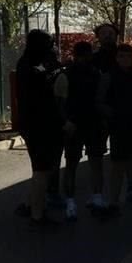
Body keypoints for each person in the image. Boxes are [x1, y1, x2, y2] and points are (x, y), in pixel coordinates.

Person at [96, 44, 132, 216]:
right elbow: (99, 102)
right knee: (118, 165)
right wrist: (112, 114)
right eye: (121, 56)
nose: (125, 59)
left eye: (128, 56)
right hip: (119, 126)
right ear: (116, 57)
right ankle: (114, 202)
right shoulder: (109, 77)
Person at [15, 30, 64, 228]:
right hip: (40, 124)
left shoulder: (26, 63)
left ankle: (30, 204)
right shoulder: (33, 67)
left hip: (31, 123)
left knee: (40, 169)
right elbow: (44, 91)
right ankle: (37, 215)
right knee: (42, 169)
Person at [54, 41, 105, 219]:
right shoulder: (97, 74)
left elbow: (59, 103)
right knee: (96, 162)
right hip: (93, 123)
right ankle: (97, 198)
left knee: (71, 165)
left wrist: (66, 121)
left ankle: (70, 203)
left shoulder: (65, 75)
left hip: (74, 124)